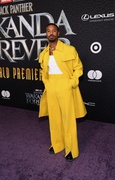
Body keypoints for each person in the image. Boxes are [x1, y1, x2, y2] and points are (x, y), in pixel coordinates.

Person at [39, 23, 87, 162]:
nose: (51, 33)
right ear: (46, 34)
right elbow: (43, 71)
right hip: (51, 86)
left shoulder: (69, 50)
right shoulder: (43, 53)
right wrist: (46, 83)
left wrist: (71, 83)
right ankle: (57, 144)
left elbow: (78, 68)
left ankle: (71, 149)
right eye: (48, 31)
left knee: (68, 119)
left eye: (53, 30)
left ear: (58, 33)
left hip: (65, 85)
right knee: (54, 118)